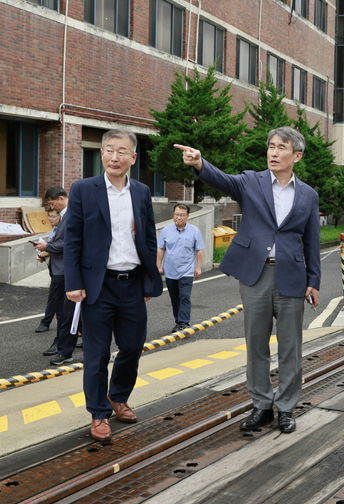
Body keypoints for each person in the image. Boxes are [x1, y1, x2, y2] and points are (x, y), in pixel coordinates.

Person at [174, 126, 320, 434]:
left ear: (296, 155)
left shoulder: (308, 194)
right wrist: (200, 163)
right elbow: (222, 179)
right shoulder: (250, 182)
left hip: (292, 276)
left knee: (291, 346)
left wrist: (314, 280)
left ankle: (286, 408)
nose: (274, 152)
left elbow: (312, 240)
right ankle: (261, 405)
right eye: (271, 146)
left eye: (281, 148)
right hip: (256, 274)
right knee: (256, 343)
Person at [64, 129, 163, 443]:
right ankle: (98, 413)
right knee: (96, 354)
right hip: (98, 286)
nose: (114, 157)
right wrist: (74, 282)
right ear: (102, 154)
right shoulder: (84, 189)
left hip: (132, 283)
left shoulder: (141, 192)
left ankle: (117, 396)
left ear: (133, 158)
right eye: (109, 150)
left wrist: (150, 279)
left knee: (132, 348)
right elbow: (73, 240)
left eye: (122, 151)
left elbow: (148, 236)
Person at [34, 188, 80, 366]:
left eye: (52, 203)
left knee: (65, 311)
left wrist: (47, 247)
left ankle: (64, 349)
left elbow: (68, 243)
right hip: (62, 269)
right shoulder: (66, 215)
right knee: (67, 311)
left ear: (61, 198)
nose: (51, 207)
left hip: (67, 271)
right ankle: (63, 345)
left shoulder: (72, 215)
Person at [157, 203, 205, 333]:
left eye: (182, 215)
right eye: (177, 214)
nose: (179, 217)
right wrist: (158, 266)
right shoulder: (166, 230)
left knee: (184, 296)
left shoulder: (194, 231)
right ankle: (178, 321)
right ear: (173, 215)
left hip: (187, 271)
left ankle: (184, 322)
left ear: (187, 216)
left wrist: (198, 267)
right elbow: (161, 249)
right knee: (175, 298)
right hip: (170, 270)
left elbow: (199, 250)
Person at [36, 208, 61, 337]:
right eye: (49, 216)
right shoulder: (54, 230)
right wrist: (43, 255)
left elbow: (57, 247)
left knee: (54, 297)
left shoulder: (62, 230)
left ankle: (46, 322)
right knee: (55, 297)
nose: (50, 219)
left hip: (61, 270)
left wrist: (44, 251)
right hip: (53, 267)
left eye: (53, 216)